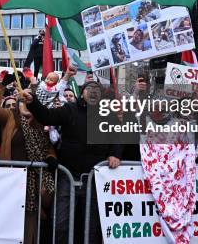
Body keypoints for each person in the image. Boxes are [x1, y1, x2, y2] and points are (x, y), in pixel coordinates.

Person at [21, 81, 123, 244]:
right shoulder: (69, 109)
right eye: (89, 89)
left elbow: (117, 138)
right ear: (82, 93)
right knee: (61, 223)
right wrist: (33, 102)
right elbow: (47, 116)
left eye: (97, 90)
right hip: (69, 176)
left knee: (91, 226)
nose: (93, 93)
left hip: (94, 180)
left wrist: (115, 154)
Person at [0, 73, 56, 244]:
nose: (24, 104)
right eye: (21, 101)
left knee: (30, 225)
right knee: (8, 221)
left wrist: (50, 157)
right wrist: (0, 84)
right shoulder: (10, 116)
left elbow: (48, 145)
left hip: (33, 181)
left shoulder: (40, 120)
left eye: (28, 101)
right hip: (11, 179)